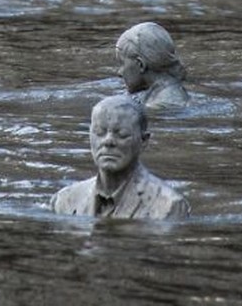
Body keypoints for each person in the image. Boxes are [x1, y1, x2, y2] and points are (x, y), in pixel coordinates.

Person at [50, 94, 190, 220]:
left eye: (122, 134)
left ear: (144, 140)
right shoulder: (64, 201)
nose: (108, 141)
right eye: (99, 132)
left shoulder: (169, 205)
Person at [116, 22, 189, 111]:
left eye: (122, 63)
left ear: (141, 65)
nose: (119, 73)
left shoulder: (163, 106)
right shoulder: (154, 94)